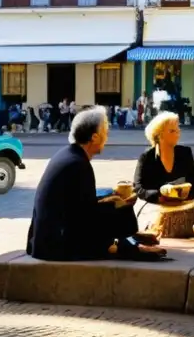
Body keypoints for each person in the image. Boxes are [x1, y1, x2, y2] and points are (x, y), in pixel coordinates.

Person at [26, 106, 162, 261]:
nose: (107, 136)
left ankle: (129, 240)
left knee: (116, 204)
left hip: (44, 241)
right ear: (95, 137)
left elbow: (78, 205)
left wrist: (110, 201)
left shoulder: (69, 154)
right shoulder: (78, 164)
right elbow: (84, 218)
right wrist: (116, 209)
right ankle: (124, 245)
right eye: (105, 131)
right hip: (56, 246)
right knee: (122, 212)